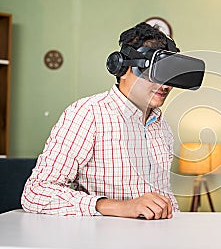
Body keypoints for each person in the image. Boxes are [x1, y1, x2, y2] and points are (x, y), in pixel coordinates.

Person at [21, 22, 179, 220]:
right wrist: (118, 207)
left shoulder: (161, 126)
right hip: (105, 244)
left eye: (168, 74)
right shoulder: (88, 114)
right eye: (153, 72)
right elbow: (36, 192)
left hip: (160, 242)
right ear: (121, 68)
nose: (164, 85)